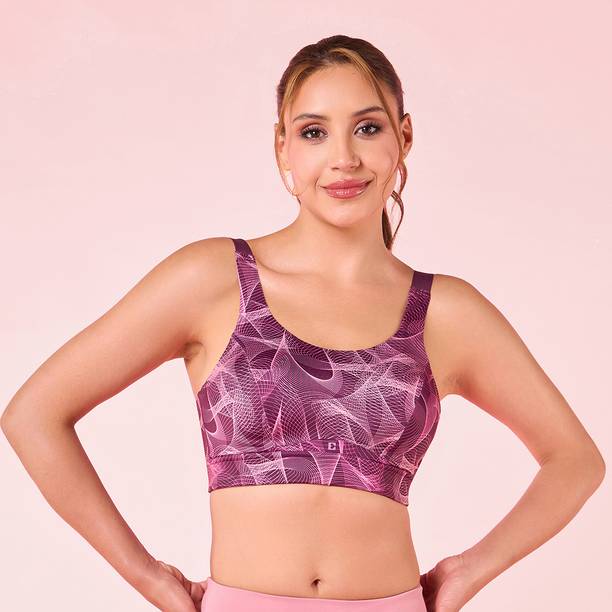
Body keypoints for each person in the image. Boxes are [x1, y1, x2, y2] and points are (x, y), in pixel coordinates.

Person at [1, 34, 605, 612]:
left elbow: (575, 460)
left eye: (367, 128)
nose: (343, 158)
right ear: (282, 148)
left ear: (403, 137)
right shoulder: (214, 279)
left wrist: (470, 570)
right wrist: (145, 574)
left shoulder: (445, 312)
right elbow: (34, 414)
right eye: (314, 132)